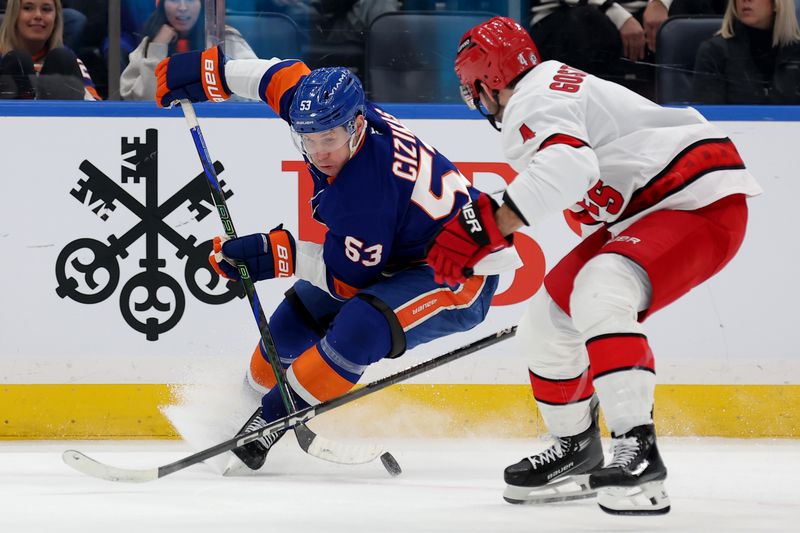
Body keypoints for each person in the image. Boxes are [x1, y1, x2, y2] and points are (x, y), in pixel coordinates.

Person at [426, 16, 761, 515]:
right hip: (654, 207)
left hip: (695, 202)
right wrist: (488, 231)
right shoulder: (546, 91)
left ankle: (638, 452)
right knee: (546, 323)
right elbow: (573, 182)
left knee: (600, 289)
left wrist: (484, 226)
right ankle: (578, 451)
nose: (475, 102)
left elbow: (569, 169)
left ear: (488, 79)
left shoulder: (532, 102)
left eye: (472, 89)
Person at [153, 46, 520, 471]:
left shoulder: (365, 190)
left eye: (329, 139)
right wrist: (208, 71)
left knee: (362, 326)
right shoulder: (326, 112)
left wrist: (277, 256)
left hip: (459, 271)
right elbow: (281, 76)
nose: (319, 151)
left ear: (357, 125)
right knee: (295, 320)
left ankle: (268, 424)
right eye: (307, 139)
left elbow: (348, 285)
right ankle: (243, 406)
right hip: (397, 250)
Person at [120, 0, 257, 101]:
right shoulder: (149, 44)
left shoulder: (225, 39)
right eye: (174, 0)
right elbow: (143, 101)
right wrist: (157, 48)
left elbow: (255, 86)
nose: (183, 7)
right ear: (161, 5)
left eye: (191, 0)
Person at [692, 0, 800, 103]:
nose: (745, 0)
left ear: (777, 3)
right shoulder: (714, 52)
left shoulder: (796, 52)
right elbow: (710, 116)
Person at [0, 0, 99, 99]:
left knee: (61, 58)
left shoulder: (67, 61)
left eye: (46, 9)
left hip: (59, 114)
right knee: (17, 60)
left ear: (56, 20)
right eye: (28, 8)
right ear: (13, 16)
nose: (38, 15)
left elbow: (94, 108)